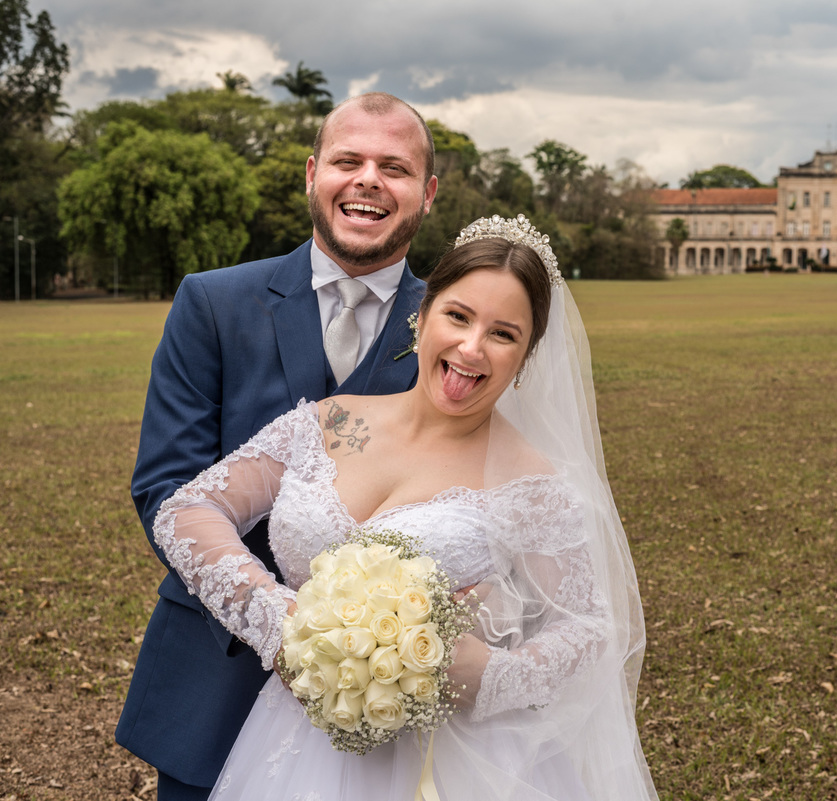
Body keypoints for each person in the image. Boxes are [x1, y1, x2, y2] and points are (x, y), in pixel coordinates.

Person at [150, 216, 658, 800]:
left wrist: (493, 676)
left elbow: (593, 628)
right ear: (423, 315)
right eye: (458, 316)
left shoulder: (533, 484)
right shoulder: (330, 422)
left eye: (503, 333)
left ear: (526, 355)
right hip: (294, 743)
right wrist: (280, 625)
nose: (471, 348)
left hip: (449, 763)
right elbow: (187, 510)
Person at [116, 92, 439, 801]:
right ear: (311, 173)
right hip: (215, 681)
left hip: (391, 703)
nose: (368, 180)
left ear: (428, 192)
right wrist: (283, 629)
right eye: (347, 160)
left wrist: (389, 648)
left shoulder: (458, 330)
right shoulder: (212, 302)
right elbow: (166, 487)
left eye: (395, 166)